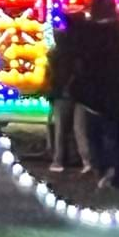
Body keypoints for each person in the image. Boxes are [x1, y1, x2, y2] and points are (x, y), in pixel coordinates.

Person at [70, 0, 119, 189]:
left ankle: (101, 169)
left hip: (95, 92)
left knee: (94, 133)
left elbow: (80, 53)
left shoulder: (90, 32)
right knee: (116, 134)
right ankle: (118, 174)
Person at [46, 10, 94, 174]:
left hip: (63, 90)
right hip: (81, 92)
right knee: (80, 128)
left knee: (61, 128)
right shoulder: (86, 45)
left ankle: (58, 160)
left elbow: (54, 68)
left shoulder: (61, 46)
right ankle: (86, 160)